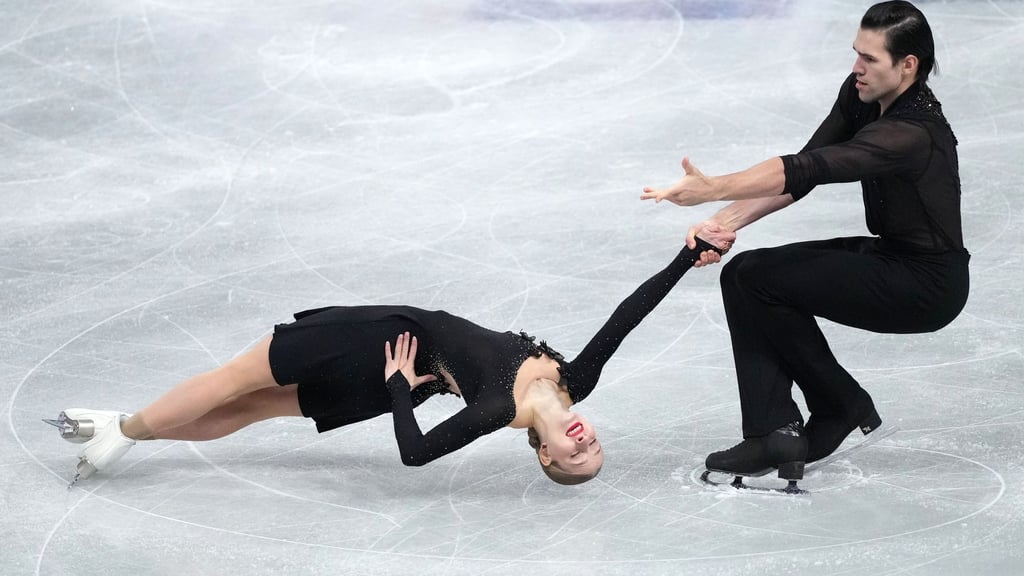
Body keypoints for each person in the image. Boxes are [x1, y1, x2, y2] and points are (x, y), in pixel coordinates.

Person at [50, 226, 735, 487]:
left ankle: (126, 428)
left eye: (575, 458)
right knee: (251, 407)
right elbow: (629, 315)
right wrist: (687, 256)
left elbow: (415, 454)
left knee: (237, 384)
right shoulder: (575, 379)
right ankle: (125, 429)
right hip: (395, 374)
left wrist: (402, 386)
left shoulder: (498, 410)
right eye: (595, 450)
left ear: (546, 456)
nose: (585, 445)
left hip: (385, 349)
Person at [641, 1, 968, 486]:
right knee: (746, 275)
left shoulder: (912, 134)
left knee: (762, 281)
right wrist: (724, 221)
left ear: (907, 65)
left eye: (870, 59)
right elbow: (805, 168)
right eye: (856, 53)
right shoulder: (862, 96)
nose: (856, 68)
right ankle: (775, 431)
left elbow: (806, 168)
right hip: (892, 256)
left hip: (927, 285)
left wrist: (713, 188)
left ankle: (837, 404)